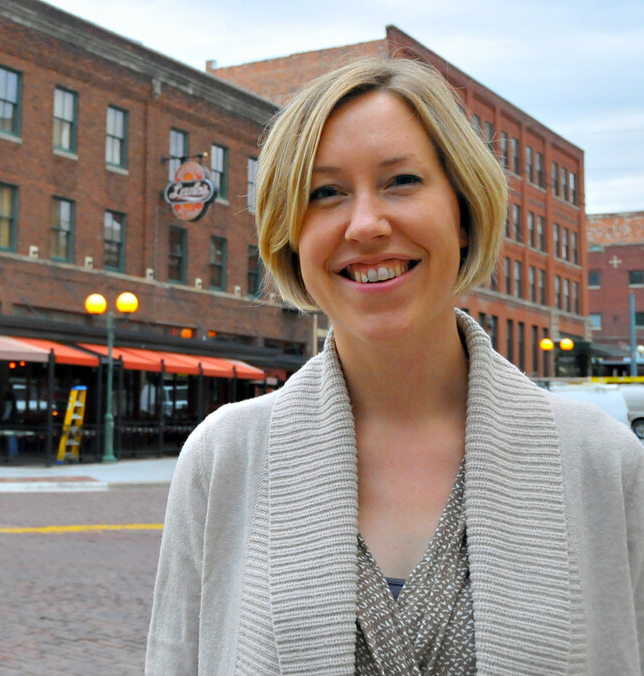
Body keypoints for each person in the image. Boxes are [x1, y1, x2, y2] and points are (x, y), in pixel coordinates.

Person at [146, 58, 644, 675]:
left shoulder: (603, 461)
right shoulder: (224, 459)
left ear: (461, 212)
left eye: (401, 181)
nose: (366, 224)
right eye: (325, 193)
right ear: (291, 236)